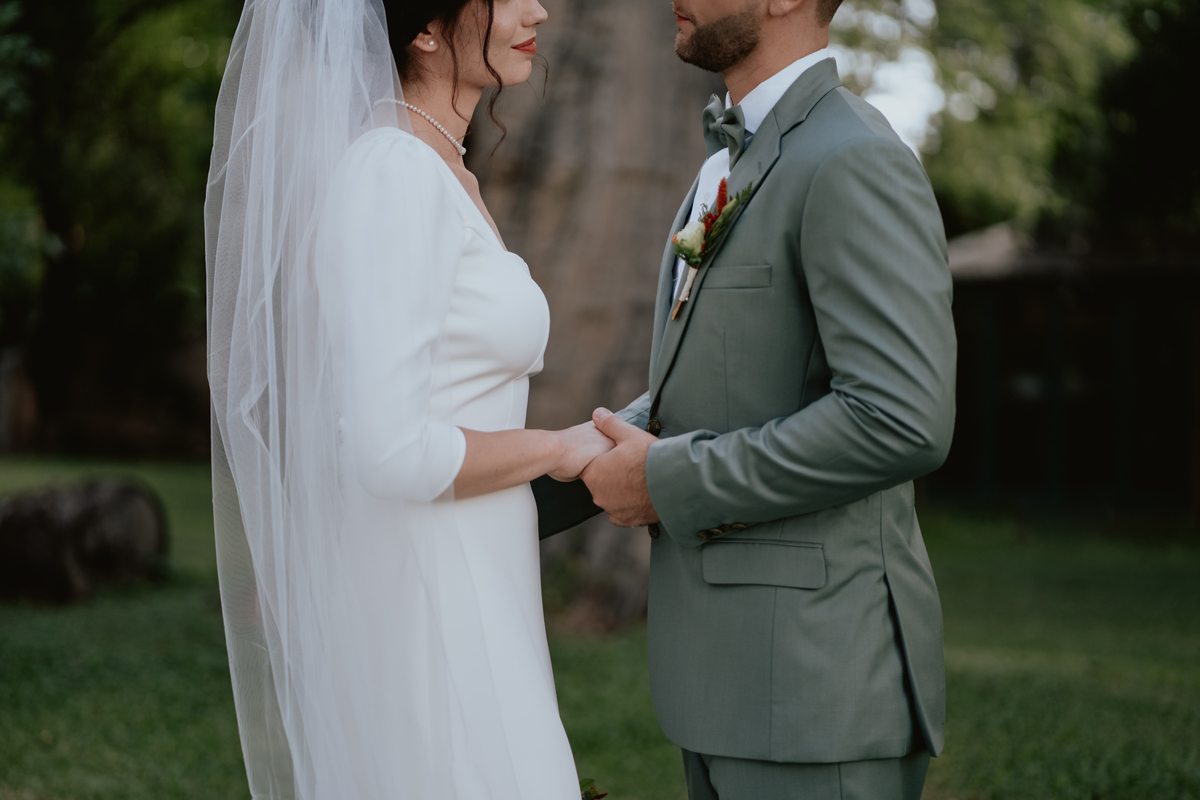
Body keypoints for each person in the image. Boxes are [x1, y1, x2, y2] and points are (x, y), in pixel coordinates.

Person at [536, 0, 957, 798]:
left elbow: (901, 419)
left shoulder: (853, 158)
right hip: (729, 684)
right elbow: (716, 385)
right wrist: (500, 489)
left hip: (816, 686)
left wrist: (667, 480)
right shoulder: (730, 159)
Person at [205, 0, 611, 797]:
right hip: (431, 591)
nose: (539, 8)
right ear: (424, 31)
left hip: (479, 571)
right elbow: (391, 451)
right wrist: (560, 448)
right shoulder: (391, 174)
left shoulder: (440, 167)